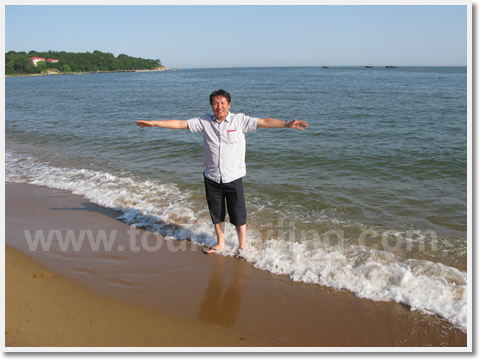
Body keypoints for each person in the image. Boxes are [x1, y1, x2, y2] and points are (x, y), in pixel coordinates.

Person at [136, 89, 308, 257]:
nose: (219, 107)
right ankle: (220, 243)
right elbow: (181, 124)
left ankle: (242, 246)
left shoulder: (239, 120)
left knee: (238, 213)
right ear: (212, 106)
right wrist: (154, 123)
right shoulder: (205, 121)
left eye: (222, 103)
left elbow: (263, 122)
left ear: (229, 104)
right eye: (216, 103)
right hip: (212, 176)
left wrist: (286, 124)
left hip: (233, 176)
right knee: (216, 213)